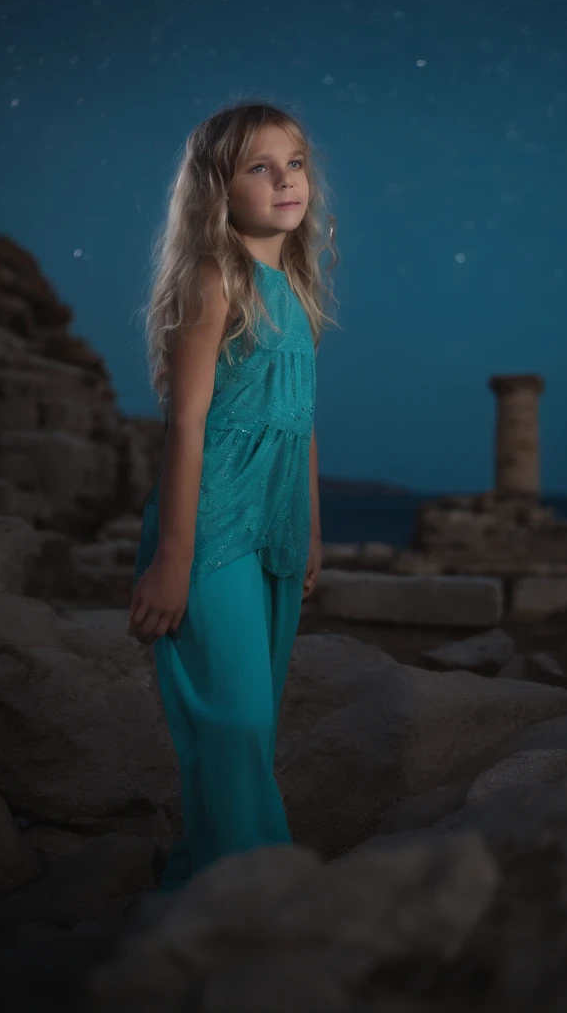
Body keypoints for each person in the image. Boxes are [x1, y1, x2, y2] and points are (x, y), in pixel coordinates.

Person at [127, 99, 339, 894]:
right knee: (235, 720)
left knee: (254, 727)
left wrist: (312, 529)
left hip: (277, 530)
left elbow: (301, 425)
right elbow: (186, 427)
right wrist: (173, 560)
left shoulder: (299, 289)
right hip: (211, 523)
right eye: (260, 166)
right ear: (219, 188)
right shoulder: (216, 279)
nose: (286, 180)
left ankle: (194, 886)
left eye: (295, 162)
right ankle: (261, 903)